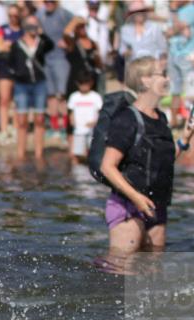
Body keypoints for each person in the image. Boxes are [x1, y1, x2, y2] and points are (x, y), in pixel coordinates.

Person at [100, 57, 194, 260]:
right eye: (162, 74)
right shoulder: (126, 118)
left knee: (151, 277)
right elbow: (107, 166)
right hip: (129, 207)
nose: (168, 79)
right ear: (145, 81)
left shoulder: (161, 118)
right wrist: (136, 198)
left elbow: (162, 162)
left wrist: (184, 140)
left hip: (157, 206)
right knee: (122, 272)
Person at [10, 15, 54, 160]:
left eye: (35, 26)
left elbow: (51, 45)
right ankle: (20, 153)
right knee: (22, 120)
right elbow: (12, 62)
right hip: (22, 84)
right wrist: (18, 74)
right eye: (30, 26)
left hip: (39, 83)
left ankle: (38, 153)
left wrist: (42, 33)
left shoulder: (41, 43)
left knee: (39, 119)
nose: (32, 29)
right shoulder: (17, 44)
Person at [36, 0, 75, 137]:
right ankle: (53, 127)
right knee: (51, 94)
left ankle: (64, 125)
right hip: (46, 59)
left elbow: (78, 22)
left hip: (61, 59)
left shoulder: (64, 14)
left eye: (51, 1)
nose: (49, 3)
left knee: (62, 94)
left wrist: (68, 40)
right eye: (46, 1)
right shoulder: (40, 14)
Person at [0, 4, 24, 144]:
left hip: (19, 68)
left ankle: (16, 128)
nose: (13, 18)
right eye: (10, 15)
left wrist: (10, 45)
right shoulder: (2, 29)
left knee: (18, 100)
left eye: (15, 16)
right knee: (4, 99)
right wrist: (12, 46)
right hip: (5, 67)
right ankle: (4, 129)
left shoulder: (23, 30)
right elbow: (1, 46)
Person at [67, 72, 101, 164]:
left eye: (86, 84)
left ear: (91, 83)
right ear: (78, 84)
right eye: (82, 84)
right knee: (77, 154)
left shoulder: (96, 97)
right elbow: (71, 111)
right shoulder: (74, 96)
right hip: (79, 130)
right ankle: (77, 174)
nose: (84, 86)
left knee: (93, 153)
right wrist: (72, 120)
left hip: (92, 131)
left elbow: (100, 112)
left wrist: (95, 122)